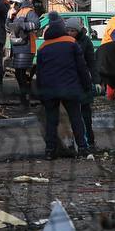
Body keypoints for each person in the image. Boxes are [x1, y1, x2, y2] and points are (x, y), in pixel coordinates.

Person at [35, 13, 91, 160]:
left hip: (50, 90)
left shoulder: (43, 47)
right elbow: (82, 67)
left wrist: (40, 92)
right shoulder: (71, 43)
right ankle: (83, 148)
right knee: (76, 118)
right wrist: (87, 86)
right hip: (70, 88)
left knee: (51, 121)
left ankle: (49, 151)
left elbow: (39, 73)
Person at [68, 16, 99, 151]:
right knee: (73, 114)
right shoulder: (66, 41)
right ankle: (75, 142)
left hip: (83, 80)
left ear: (78, 30)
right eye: (67, 30)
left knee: (85, 112)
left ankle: (90, 141)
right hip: (69, 80)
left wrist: (96, 81)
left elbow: (92, 63)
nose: (70, 33)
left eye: (72, 30)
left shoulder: (86, 41)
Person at [7, 0, 38, 107]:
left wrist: (22, 26)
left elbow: (36, 24)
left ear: (20, 3)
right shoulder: (14, 13)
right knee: (18, 74)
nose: (13, 6)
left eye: (15, 3)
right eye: (12, 3)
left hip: (26, 46)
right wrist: (9, 19)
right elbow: (8, 28)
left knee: (22, 74)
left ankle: (25, 99)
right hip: (16, 46)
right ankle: (24, 98)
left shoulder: (28, 12)